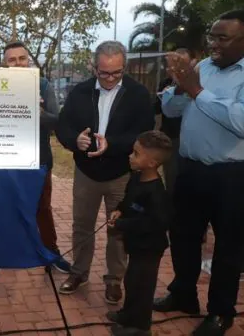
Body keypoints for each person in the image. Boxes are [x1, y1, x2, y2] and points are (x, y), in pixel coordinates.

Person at [153, 10, 244, 335]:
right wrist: (181, 89)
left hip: (234, 176)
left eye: (221, 38)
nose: (213, 43)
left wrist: (197, 90)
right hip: (191, 170)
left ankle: (220, 312)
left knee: (228, 246)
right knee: (183, 236)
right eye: (211, 36)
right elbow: (170, 109)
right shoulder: (205, 67)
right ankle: (184, 293)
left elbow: (243, 122)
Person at [55, 41, 154, 303]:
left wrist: (115, 145)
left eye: (116, 72)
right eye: (104, 73)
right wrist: (74, 140)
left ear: (125, 67)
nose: (110, 78)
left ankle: (114, 280)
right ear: (94, 67)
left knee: (118, 229)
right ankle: (79, 273)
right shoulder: (80, 91)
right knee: (82, 226)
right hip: (86, 171)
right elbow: (63, 125)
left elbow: (145, 134)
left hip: (121, 172)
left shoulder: (138, 94)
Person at [2, 41, 71, 273]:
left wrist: (35, 111)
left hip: (38, 158)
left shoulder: (42, 85)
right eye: (12, 60)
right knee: (7, 207)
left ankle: (51, 253)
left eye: (22, 58)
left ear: (28, 61)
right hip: (6, 156)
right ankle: (5, 254)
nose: (18, 63)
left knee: (42, 208)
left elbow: (55, 120)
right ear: (5, 63)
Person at [106, 131, 173, 336]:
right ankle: (128, 315)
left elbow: (154, 223)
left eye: (136, 154)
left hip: (149, 248)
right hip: (136, 245)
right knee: (132, 282)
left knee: (142, 287)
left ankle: (141, 327)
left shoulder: (155, 192)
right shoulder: (136, 178)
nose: (130, 156)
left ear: (152, 162)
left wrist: (123, 225)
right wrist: (119, 209)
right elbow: (128, 201)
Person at [155, 48, 196, 195]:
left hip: (192, 140)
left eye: (181, 63)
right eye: (172, 64)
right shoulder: (166, 83)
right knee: (172, 180)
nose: (175, 67)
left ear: (193, 62)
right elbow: (158, 109)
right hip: (171, 138)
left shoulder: (199, 83)